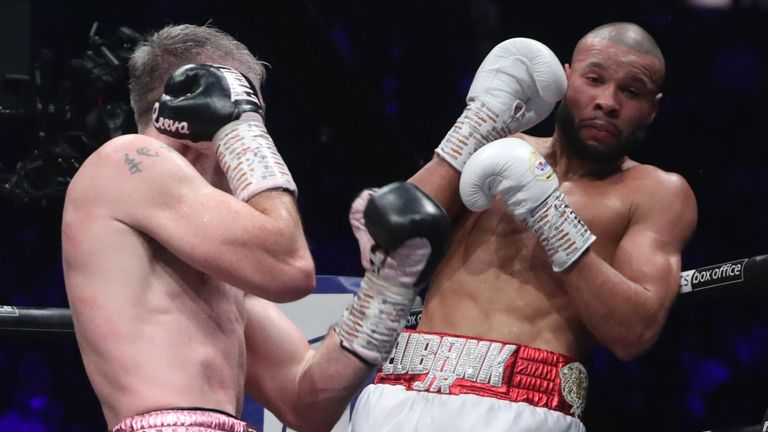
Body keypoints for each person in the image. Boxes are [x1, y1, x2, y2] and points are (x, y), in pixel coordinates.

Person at [62, 24, 450, 432]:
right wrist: (243, 130)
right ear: (194, 104)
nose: (256, 133)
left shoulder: (214, 247)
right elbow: (291, 268)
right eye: (247, 112)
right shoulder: (129, 161)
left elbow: (307, 402)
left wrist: (385, 287)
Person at [349, 22, 697, 432]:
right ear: (567, 79)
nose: (608, 102)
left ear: (653, 108)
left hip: (522, 406)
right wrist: (476, 125)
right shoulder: (499, 148)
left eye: (631, 91)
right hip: (399, 391)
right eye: (595, 79)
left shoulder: (656, 192)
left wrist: (551, 215)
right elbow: (392, 237)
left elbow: (633, 332)